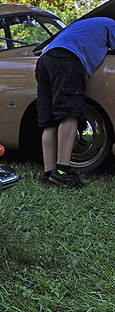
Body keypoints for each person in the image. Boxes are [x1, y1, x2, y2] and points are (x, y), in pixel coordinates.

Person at [37, 16, 115, 188]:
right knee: (69, 114)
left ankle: (49, 174)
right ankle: (63, 172)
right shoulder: (111, 24)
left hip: (44, 61)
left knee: (49, 120)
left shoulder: (82, 26)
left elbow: (44, 49)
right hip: (67, 59)